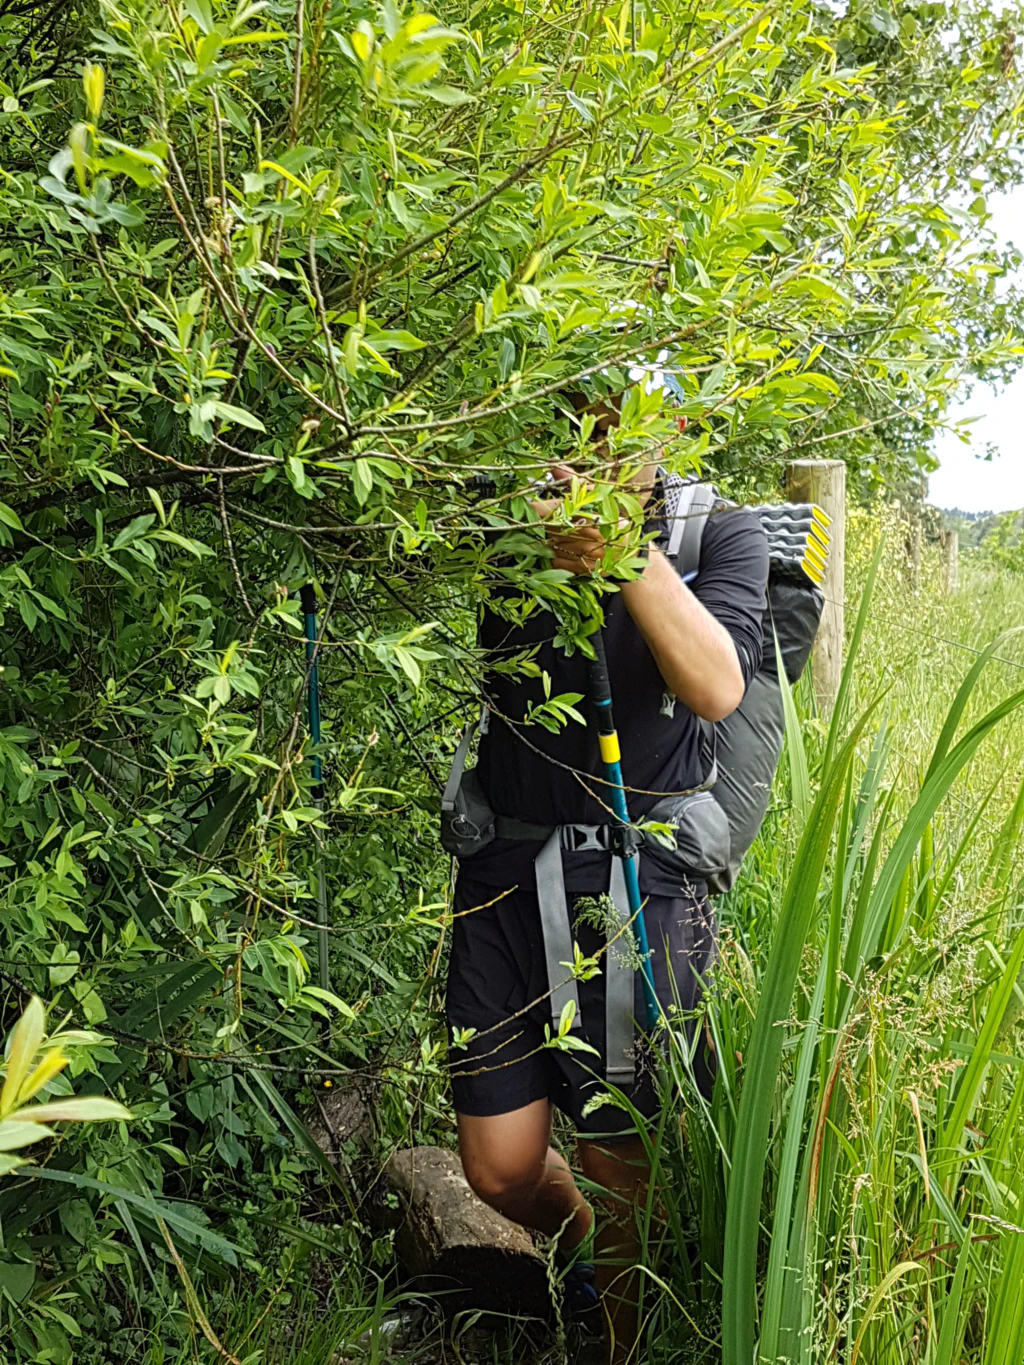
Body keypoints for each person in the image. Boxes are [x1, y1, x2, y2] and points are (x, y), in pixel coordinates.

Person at [444, 396, 769, 1363]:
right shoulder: (500, 519)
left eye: (624, 424)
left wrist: (625, 552)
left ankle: (622, 1340)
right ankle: (581, 1249)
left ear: (670, 428)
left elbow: (716, 683)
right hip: (505, 868)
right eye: (576, 416)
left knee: (616, 1151)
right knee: (497, 1166)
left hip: (637, 879)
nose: (596, 444)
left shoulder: (722, 531)